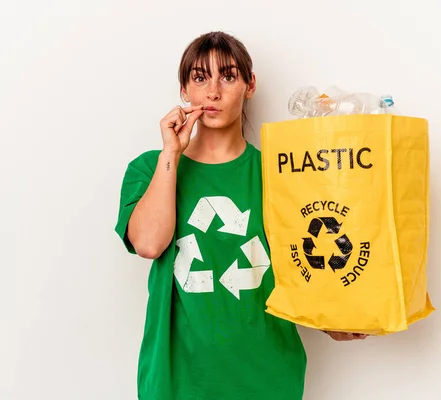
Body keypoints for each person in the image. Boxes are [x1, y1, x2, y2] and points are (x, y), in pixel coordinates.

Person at [115, 31, 366, 400]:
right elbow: (150, 244)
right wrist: (171, 153)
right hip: (177, 381)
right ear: (185, 90)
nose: (213, 92)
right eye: (200, 78)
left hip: (266, 377)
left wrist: (334, 320)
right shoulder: (149, 170)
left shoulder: (281, 174)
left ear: (250, 85)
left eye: (228, 76)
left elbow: (303, 265)